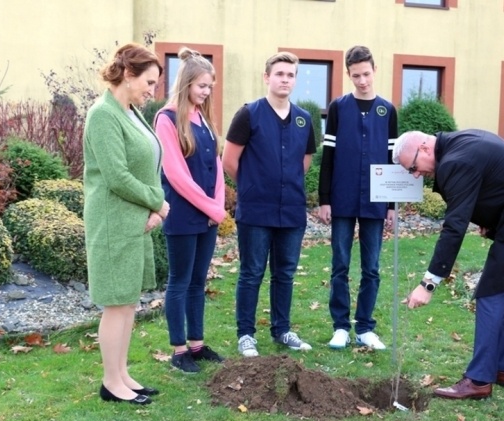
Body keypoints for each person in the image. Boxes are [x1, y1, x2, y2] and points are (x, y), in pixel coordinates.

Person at [394, 129, 504, 400]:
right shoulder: (460, 142)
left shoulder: (454, 161)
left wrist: (428, 284)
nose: (415, 174)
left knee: (491, 295)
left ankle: (479, 379)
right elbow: (495, 185)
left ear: (423, 148)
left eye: (412, 167)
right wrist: (490, 220)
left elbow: (454, 228)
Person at [83, 43, 169, 405]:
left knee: (128, 302)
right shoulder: (103, 114)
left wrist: (154, 207)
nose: (153, 90)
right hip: (112, 222)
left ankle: (122, 375)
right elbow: (117, 176)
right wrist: (158, 203)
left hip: (132, 220)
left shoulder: (130, 111)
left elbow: (149, 163)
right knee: (116, 304)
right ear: (128, 75)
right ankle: (110, 383)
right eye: (149, 81)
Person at [222, 52, 317, 357]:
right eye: (279, 74)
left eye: (290, 75)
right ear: (267, 77)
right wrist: (253, 185)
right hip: (256, 210)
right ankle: (245, 334)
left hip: (291, 210)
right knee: (252, 272)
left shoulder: (304, 119)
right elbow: (229, 161)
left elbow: (304, 162)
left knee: (285, 273)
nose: (284, 79)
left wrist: (283, 184)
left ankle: (282, 329)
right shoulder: (249, 114)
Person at [318, 45, 398, 351]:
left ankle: (365, 327)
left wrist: (391, 206)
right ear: (348, 75)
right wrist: (325, 198)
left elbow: (393, 159)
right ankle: (340, 326)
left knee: (372, 267)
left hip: (375, 201)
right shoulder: (338, 107)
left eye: (366, 74)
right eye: (355, 76)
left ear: (374, 70)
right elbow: (329, 155)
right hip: (342, 198)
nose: (362, 81)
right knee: (340, 264)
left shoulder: (387, 110)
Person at [155, 48, 226, 373]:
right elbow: (175, 175)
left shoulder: (204, 120)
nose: (206, 92)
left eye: (210, 86)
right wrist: (210, 207)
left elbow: (217, 167)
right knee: (180, 281)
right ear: (186, 84)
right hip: (183, 214)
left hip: (208, 216)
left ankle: (197, 345)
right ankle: (178, 349)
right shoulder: (167, 119)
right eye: (201, 86)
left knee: (199, 281)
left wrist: (218, 208)